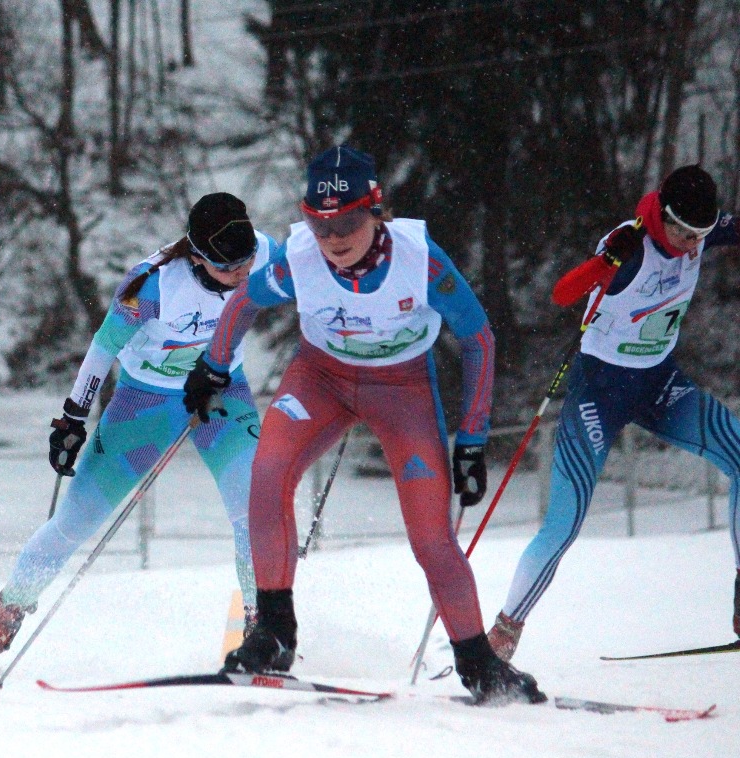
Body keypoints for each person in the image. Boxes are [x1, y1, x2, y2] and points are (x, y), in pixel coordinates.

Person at [187, 145, 545, 704]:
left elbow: (477, 338)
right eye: (319, 223)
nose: (333, 238)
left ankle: (478, 662)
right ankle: (274, 632)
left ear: (377, 211)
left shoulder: (418, 258)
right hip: (320, 381)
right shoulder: (299, 258)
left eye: (348, 221)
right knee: (268, 472)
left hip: (401, 391)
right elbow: (243, 304)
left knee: (430, 535)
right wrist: (211, 366)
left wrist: (472, 439)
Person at [0, 193, 279, 677]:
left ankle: (263, 630)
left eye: (246, 265)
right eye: (227, 270)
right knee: (73, 522)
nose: (242, 276)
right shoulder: (151, 284)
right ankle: (1, 622)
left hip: (223, 393)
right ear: (198, 256)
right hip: (145, 404)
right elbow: (103, 348)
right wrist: (73, 417)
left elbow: (315, 274)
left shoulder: (264, 253)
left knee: (255, 509)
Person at [488, 165, 740, 661]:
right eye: (685, 235)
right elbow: (563, 294)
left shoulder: (693, 233)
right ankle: (501, 636)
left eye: (702, 237)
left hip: (658, 384)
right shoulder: (630, 246)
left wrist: (709, 234)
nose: (693, 247)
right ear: (663, 216)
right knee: (563, 522)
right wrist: (603, 263)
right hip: (599, 393)